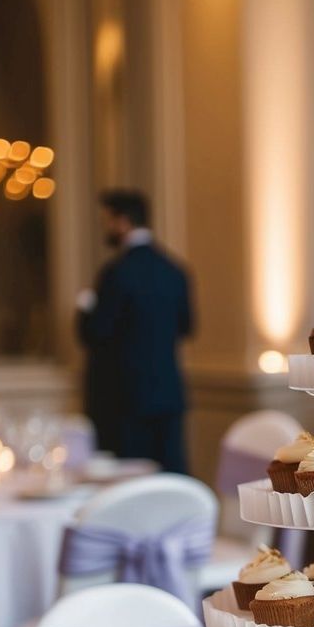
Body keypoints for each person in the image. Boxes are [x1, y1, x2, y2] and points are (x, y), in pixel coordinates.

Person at [77, 190, 194, 473]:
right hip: (168, 395)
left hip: (125, 399)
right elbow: (187, 327)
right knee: (171, 480)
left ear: (123, 222)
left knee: (132, 483)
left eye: (107, 221)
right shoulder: (175, 270)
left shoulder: (116, 272)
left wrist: (84, 308)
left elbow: (96, 333)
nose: (105, 229)